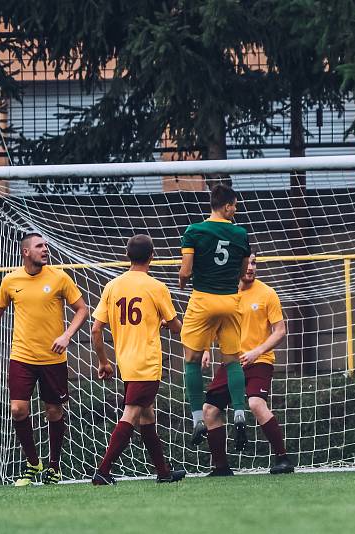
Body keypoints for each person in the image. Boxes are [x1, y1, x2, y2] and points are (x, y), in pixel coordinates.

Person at [0, 233, 88, 485]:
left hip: (53, 359)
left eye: (46, 245)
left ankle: (54, 467)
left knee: (54, 411)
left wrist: (67, 335)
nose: (45, 249)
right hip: (21, 357)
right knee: (18, 410)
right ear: (26, 252)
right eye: (39, 246)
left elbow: (82, 309)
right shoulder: (11, 280)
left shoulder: (59, 278)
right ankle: (33, 464)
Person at [91, 234, 186, 484]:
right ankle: (103, 471)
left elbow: (95, 329)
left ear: (127, 256)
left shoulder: (112, 286)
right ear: (152, 257)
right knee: (131, 415)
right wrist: (170, 322)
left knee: (146, 417)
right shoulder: (156, 287)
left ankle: (163, 473)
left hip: (126, 363)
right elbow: (176, 327)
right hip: (147, 363)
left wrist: (103, 361)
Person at [201, 253, 293, 476]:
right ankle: (221, 468)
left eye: (254, 263)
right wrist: (205, 349)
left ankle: (283, 459)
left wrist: (257, 351)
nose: (251, 267)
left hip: (259, 360)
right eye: (247, 263)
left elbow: (280, 331)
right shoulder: (225, 293)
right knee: (209, 410)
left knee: (255, 403)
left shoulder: (267, 293)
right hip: (232, 362)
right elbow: (213, 325)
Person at [179, 184, 252, 450]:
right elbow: (243, 271)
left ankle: (197, 418)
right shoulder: (241, 234)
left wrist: (183, 284)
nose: (236, 209)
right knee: (232, 360)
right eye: (234, 205)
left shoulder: (194, 231)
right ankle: (241, 414)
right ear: (226, 206)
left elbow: (186, 271)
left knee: (192, 360)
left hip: (202, 299)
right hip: (230, 300)